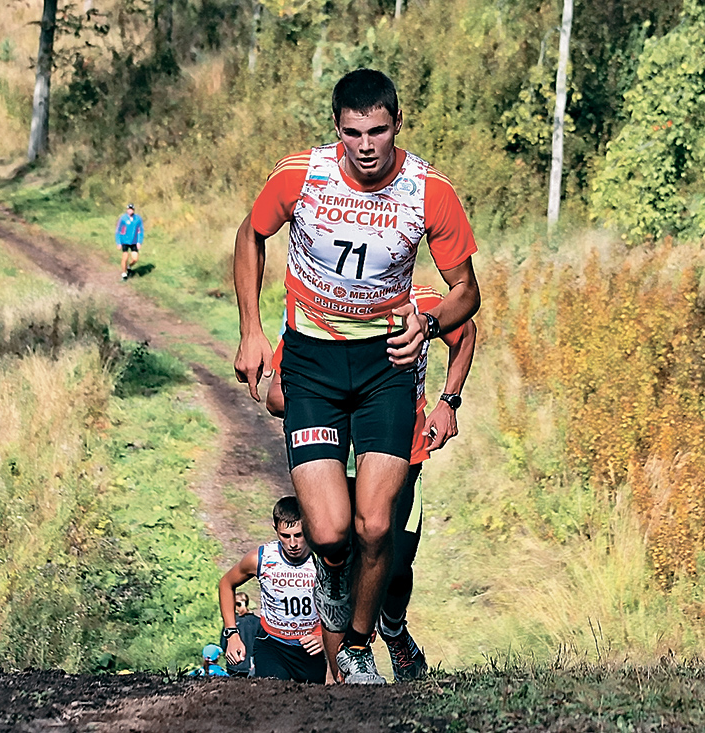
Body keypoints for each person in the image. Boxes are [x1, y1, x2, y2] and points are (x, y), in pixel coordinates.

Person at [233, 68, 480, 684]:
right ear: (336, 130)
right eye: (352, 133)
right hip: (313, 359)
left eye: (378, 131)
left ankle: (358, 644)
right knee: (331, 531)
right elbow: (250, 234)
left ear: (398, 123)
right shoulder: (301, 176)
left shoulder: (430, 192)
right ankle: (334, 574)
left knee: (376, 525)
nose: (366, 146)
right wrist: (251, 330)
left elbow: (467, 296)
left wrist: (425, 323)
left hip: (387, 365)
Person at [266, 284, 477, 682]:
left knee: (395, 566)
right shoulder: (322, 313)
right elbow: (275, 395)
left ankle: (393, 629)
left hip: (401, 449)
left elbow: (465, 331)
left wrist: (448, 402)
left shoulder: (421, 302)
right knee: (337, 561)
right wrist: (322, 397)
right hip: (334, 454)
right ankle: (346, 681)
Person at [217, 496, 326, 683]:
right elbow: (226, 584)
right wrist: (232, 634)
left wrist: (327, 638)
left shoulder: (324, 557)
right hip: (272, 645)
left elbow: (349, 600)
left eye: (299, 535)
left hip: (312, 648)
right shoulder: (261, 558)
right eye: (285, 536)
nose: (293, 544)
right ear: (275, 529)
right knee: (272, 699)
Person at [219, 591, 262, 677]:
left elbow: (223, 644)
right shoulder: (258, 622)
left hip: (234, 665)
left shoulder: (231, 624)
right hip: (252, 666)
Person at [115, 203, 144, 280]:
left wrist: (139, 242)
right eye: (128, 209)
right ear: (127, 210)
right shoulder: (123, 218)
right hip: (124, 240)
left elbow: (141, 231)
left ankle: (129, 267)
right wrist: (118, 242)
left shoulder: (138, 219)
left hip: (134, 241)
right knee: (125, 257)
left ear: (133, 210)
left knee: (135, 258)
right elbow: (118, 231)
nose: (130, 211)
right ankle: (124, 274)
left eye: (131, 209)